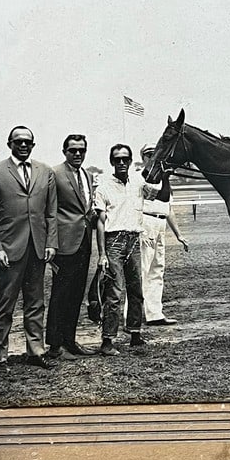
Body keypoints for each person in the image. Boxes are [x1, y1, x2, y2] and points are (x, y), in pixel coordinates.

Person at [0, 126, 58, 372]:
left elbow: (51, 213)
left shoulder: (45, 171)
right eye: (19, 142)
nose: (24, 146)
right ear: (10, 144)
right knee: (5, 303)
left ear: (33, 145)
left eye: (28, 142)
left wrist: (50, 243)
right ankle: (0, 356)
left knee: (36, 303)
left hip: (37, 248)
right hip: (9, 249)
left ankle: (36, 351)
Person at [45, 134, 99, 359]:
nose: (78, 154)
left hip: (84, 242)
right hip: (63, 245)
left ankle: (70, 340)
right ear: (64, 151)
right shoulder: (55, 173)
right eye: (73, 150)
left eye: (82, 150)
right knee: (60, 294)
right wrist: (52, 244)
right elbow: (48, 211)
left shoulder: (87, 174)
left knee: (77, 294)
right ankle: (55, 346)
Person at [93, 143, 148, 354]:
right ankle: (107, 341)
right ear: (112, 162)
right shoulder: (104, 187)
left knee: (136, 289)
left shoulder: (138, 182)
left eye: (125, 158)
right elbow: (100, 221)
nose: (122, 162)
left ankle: (135, 334)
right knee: (113, 293)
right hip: (113, 241)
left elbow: (157, 194)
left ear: (131, 160)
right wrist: (102, 254)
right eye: (118, 159)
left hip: (134, 239)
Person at [139, 170, 189, 326]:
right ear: (144, 157)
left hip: (160, 224)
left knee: (157, 269)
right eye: (149, 154)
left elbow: (168, 209)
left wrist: (178, 235)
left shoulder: (165, 181)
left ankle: (154, 314)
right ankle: (132, 315)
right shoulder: (141, 179)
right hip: (146, 221)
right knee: (142, 269)